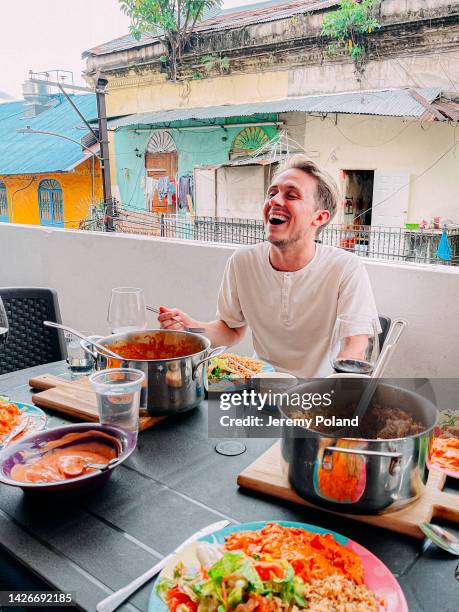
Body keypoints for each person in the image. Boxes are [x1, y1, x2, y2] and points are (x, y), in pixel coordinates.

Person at [158, 154, 379, 378]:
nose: (274, 200)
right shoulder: (243, 261)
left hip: (317, 393)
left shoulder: (346, 268)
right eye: (272, 193)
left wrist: (335, 391)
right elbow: (231, 330)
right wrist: (190, 326)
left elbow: (355, 347)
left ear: (319, 217)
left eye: (291, 195)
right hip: (259, 387)